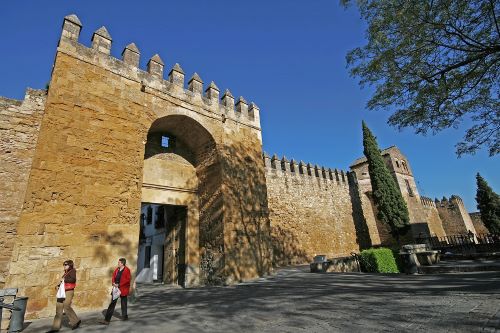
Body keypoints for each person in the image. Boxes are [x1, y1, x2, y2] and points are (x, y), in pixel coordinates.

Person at [47, 260, 81, 332]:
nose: (64, 266)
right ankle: (55, 328)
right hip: (62, 292)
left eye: (66, 265)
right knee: (58, 309)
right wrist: (57, 286)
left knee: (66, 306)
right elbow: (62, 283)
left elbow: (73, 279)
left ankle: (75, 321)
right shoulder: (65, 273)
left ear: (70, 265)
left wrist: (64, 279)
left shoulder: (72, 271)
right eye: (64, 265)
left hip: (69, 291)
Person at [101, 258, 131, 325]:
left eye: (119, 262)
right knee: (112, 303)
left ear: (122, 263)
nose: (118, 263)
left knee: (124, 303)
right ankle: (107, 320)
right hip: (116, 288)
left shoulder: (127, 270)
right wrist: (113, 283)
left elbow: (127, 280)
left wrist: (119, 284)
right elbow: (113, 276)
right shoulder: (117, 269)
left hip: (123, 288)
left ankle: (125, 316)